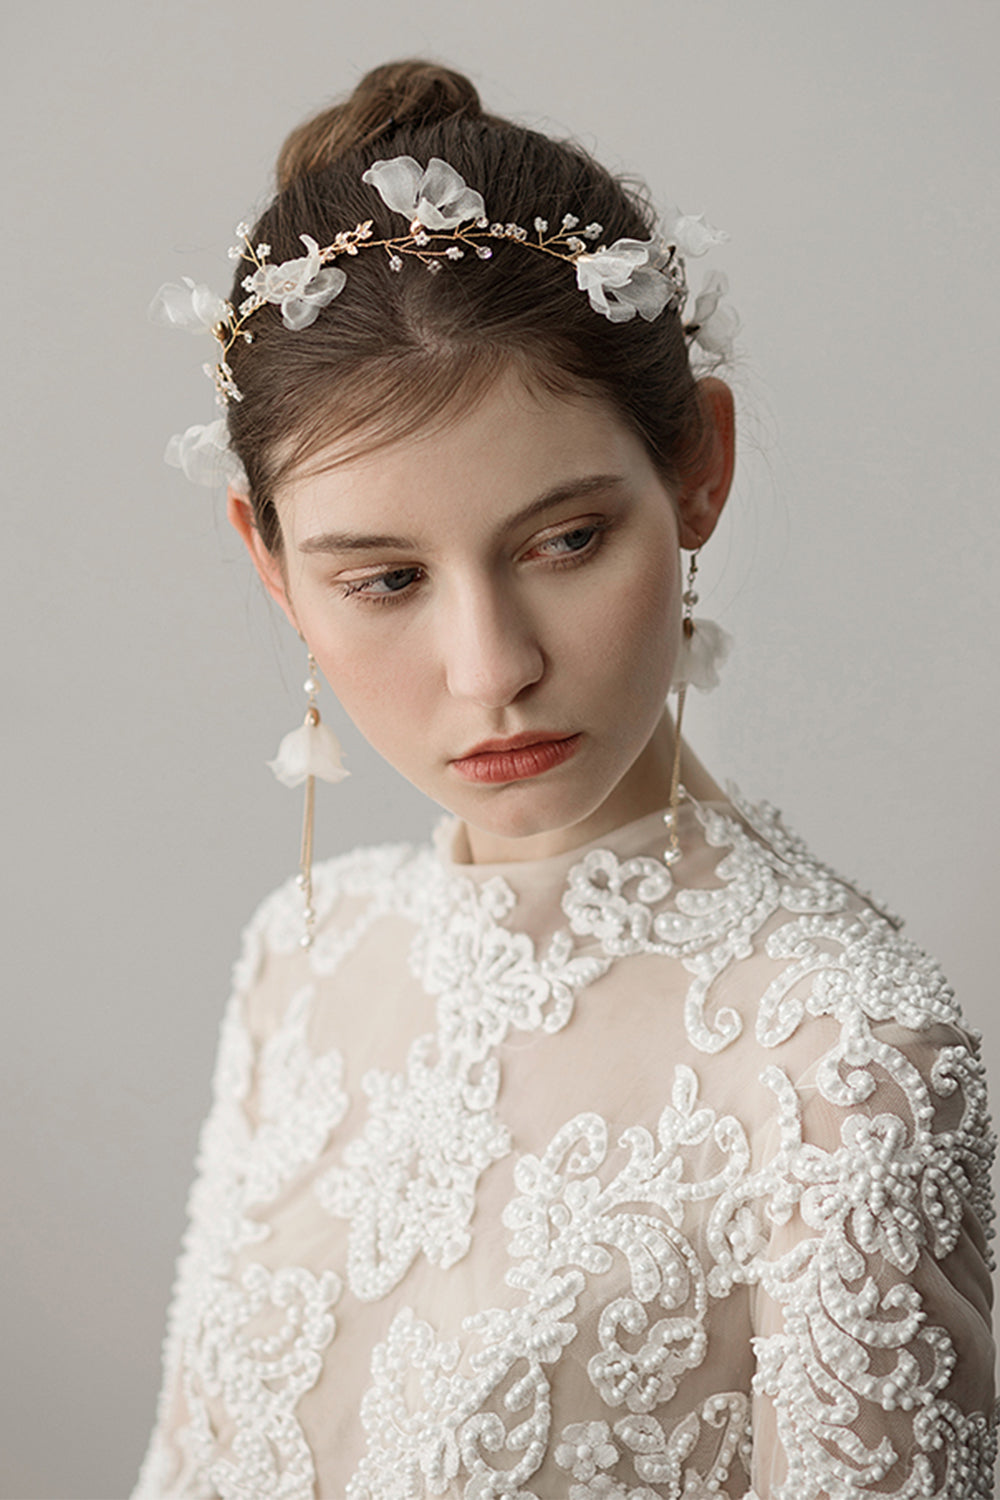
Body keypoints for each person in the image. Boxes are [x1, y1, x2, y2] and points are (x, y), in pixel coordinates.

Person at [133, 59, 997, 1500]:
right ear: (271, 566)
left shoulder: (846, 1067)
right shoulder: (301, 961)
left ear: (698, 470)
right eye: (386, 579)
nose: (492, 671)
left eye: (565, 542)